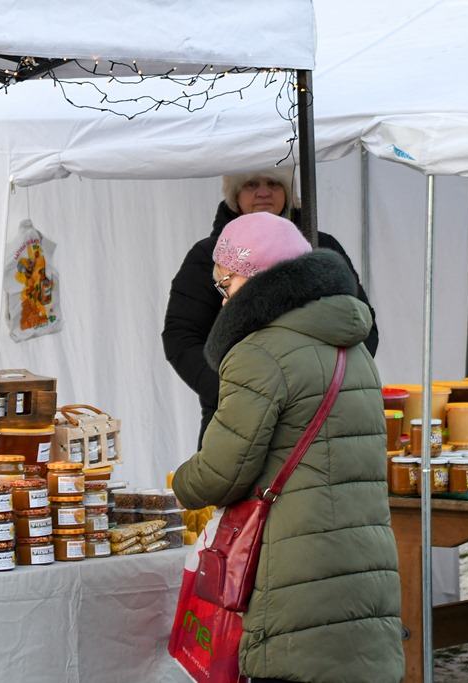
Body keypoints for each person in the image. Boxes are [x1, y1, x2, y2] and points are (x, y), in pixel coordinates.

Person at [171, 213, 404, 683]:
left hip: (293, 569)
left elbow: (223, 470)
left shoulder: (259, 352)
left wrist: (179, 485)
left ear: (258, 281)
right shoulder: (353, 346)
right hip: (364, 564)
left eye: (227, 283)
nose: (223, 298)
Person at [162, 167, 378, 448]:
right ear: (234, 195)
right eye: (251, 184)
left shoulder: (321, 246)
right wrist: (233, 393)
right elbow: (181, 336)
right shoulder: (209, 255)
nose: (263, 192)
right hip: (235, 418)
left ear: (288, 191)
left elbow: (358, 321)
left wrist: (332, 385)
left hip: (320, 415)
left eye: (274, 183)